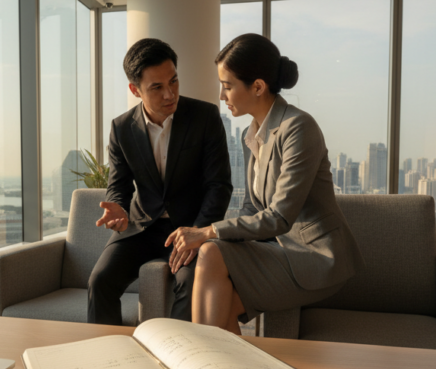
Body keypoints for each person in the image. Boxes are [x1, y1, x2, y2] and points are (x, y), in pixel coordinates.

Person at [165, 34, 364, 335]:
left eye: (228, 86)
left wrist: (207, 232)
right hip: (277, 251)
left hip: (314, 257)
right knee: (223, 301)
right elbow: (251, 207)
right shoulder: (251, 133)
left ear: (257, 86)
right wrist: (208, 236)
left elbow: (280, 216)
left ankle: (200, 365)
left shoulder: (298, 127)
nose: (221, 95)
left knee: (210, 251)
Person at [88, 38, 232, 325]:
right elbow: (119, 184)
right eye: (157, 87)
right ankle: (108, 359)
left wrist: (198, 234)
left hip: (190, 226)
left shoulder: (204, 117)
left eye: (174, 81)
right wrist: (117, 205)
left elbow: (219, 185)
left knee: (191, 284)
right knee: (100, 281)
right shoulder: (121, 128)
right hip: (141, 227)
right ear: (135, 89)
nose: (170, 94)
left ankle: (177, 357)